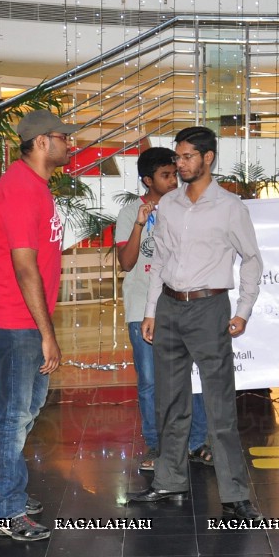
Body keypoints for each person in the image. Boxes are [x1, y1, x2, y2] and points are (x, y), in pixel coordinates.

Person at [130, 126, 265, 520]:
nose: (180, 163)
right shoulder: (168, 205)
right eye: (178, 156)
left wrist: (243, 310)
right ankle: (169, 481)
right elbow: (160, 262)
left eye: (187, 156)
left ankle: (235, 495)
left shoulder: (230, 207)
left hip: (210, 308)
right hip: (169, 307)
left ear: (208, 158)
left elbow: (252, 259)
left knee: (219, 405)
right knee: (169, 401)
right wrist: (152, 311)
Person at [0, 109, 81, 541]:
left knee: (26, 409)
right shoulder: (20, 188)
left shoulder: (36, 186)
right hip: (14, 318)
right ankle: (8, 510)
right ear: (41, 142)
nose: (69, 144)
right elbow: (24, 267)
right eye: (63, 138)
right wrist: (47, 332)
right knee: (13, 413)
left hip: (22, 318)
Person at [114, 147, 211, 474]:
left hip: (184, 305)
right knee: (151, 383)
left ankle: (197, 442)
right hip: (142, 309)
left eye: (175, 173)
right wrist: (141, 225)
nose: (174, 180)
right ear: (147, 180)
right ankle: (156, 444)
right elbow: (126, 263)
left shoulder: (188, 208)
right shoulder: (130, 213)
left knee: (191, 378)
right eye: (166, 175)